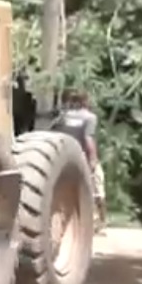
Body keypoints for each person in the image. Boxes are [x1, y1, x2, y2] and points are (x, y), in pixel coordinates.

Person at [50, 88, 107, 231]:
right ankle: (101, 221)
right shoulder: (89, 117)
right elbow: (88, 138)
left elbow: (53, 132)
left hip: (64, 157)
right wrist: (93, 159)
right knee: (97, 188)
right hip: (83, 156)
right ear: (85, 101)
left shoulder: (62, 117)